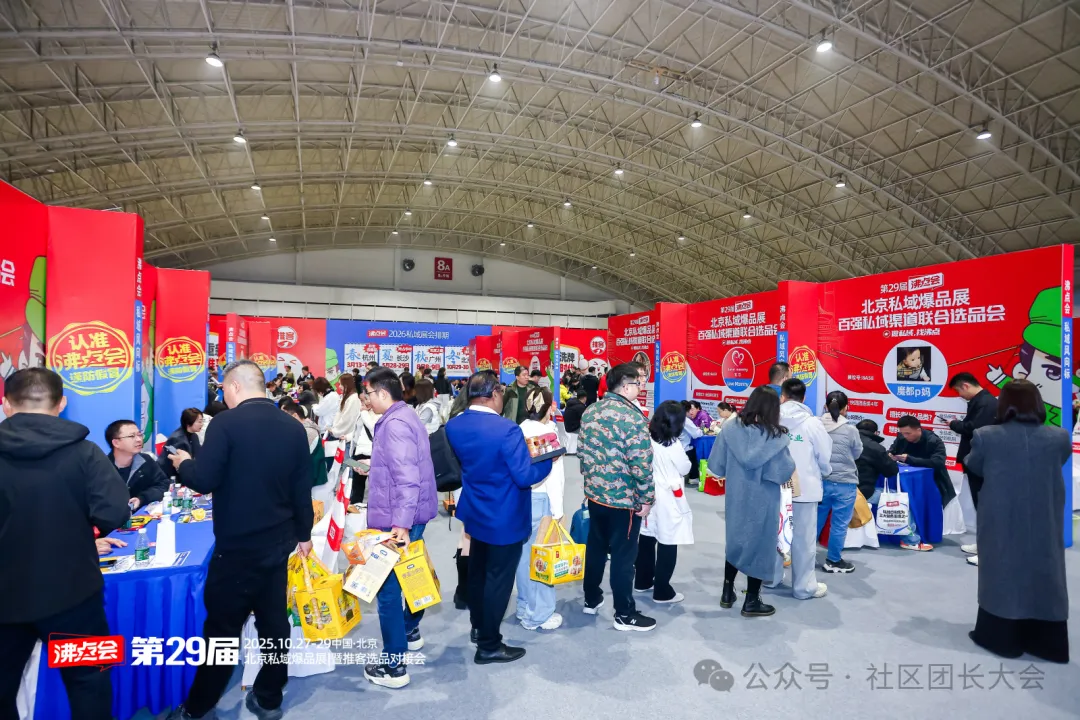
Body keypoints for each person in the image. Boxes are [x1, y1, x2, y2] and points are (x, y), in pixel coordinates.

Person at [166, 360, 313, 720]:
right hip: (278, 541)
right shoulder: (293, 427)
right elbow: (302, 488)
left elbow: (204, 479)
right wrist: (305, 534)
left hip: (237, 546)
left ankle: (198, 706)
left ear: (233, 387)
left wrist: (184, 463)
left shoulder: (226, 424)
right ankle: (269, 694)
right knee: (274, 622)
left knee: (222, 629)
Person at [0, 368, 130, 720]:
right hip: (74, 594)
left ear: (6, 404)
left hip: (5, 597)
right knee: (89, 681)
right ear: (62, 403)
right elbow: (113, 512)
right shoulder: (85, 453)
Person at [446, 371, 553, 662]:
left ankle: (478, 627)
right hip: (504, 515)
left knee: (479, 573)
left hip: (475, 509)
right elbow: (524, 476)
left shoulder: (455, 424)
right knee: (498, 581)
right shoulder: (506, 429)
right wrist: (548, 460)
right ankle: (489, 645)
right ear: (494, 394)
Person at [963, 379, 1070, 663]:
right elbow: (1058, 461)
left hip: (1001, 513)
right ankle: (1046, 642)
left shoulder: (986, 435)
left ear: (1004, 405)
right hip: (1045, 514)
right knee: (1047, 568)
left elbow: (974, 464)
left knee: (1001, 567)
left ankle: (1002, 638)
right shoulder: (1060, 436)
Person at [361, 367, 438, 687]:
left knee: (389, 591)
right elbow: (405, 467)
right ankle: (410, 629)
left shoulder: (394, 424)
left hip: (398, 519)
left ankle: (394, 666)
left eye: (367, 394)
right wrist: (375, 468)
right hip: (407, 513)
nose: (365, 400)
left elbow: (407, 479)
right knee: (412, 574)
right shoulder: (405, 415)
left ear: (382, 393)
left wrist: (401, 525)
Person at [578, 362, 657, 632]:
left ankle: (591, 598)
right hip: (624, 502)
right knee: (624, 557)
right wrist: (647, 498)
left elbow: (582, 452)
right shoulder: (632, 417)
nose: (641, 387)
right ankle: (624, 614)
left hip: (595, 495)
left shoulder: (591, 410)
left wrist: (592, 482)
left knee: (596, 548)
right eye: (638, 383)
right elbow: (641, 463)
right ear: (625, 386)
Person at [708, 385, 795, 617]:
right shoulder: (776, 437)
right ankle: (752, 600)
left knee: (736, 542)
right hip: (764, 498)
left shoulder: (730, 428)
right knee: (760, 546)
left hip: (737, 496)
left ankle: (727, 592)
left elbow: (716, 466)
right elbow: (782, 472)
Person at [772, 378, 831, 599]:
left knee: (774, 534)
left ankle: (770, 578)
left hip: (774, 486)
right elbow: (824, 455)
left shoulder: (771, 418)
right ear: (804, 398)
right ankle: (803, 588)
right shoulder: (812, 423)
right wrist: (824, 471)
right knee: (804, 540)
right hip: (805, 488)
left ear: (783, 396)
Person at [516, 387, 566, 630]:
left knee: (524, 556)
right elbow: (553, 476)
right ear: (548, 407)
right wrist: (558, 510)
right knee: (542, 556)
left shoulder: (519, 429)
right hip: (542, 498)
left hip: (521, 499)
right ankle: (539, 615)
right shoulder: (546, 434)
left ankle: (524, 605)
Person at [634, 400, 694, 603]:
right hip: (668, 497)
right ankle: (662, 591)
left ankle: (642, 581)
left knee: (647, 536)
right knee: (668, 540)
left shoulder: (646, 438)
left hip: (647, 492)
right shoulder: (673, 445)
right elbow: (685, 468)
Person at [948, 372, 999, 567]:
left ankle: (989, 551)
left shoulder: (986, 403)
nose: (960, 395)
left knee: (986, 507)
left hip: (982, 462)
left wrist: (954, 424)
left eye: (958, 391)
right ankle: (983, 544)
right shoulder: (980, 402)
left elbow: (975, 429)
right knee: (981, 506)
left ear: (966, 386)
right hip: (975, 461)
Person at [817, 391, 865, 571]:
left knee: (813, 522)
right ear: (846, 408)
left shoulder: (815, 425)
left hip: (820, 482)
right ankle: (833, 560)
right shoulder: (851, 430)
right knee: (839, 525)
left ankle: (803, 558)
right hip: (845, 483)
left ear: (825, 406)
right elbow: (857, 453)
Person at [888, 414, 958, 523]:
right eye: (902, 433)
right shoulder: (901, 437)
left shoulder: (933, 441)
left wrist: (909, 459)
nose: (905, 436)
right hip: (908, 481)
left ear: (918, 430)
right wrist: (889, 455)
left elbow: (938, 463)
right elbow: (892, 450)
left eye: (908, 433)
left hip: (931, 481)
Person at [105, 419, 170, 511]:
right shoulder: (101, 468)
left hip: (140, 516)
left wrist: (141, 499)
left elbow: (163, 485)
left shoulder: (146, 461)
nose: (139, 440)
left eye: (139, 435)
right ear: (116, 443)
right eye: (132, 436)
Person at [281, 401, 328, 494]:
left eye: (285, 417)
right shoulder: (305, 427)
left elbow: (295, 457)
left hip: (312, 480)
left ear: (295, 415)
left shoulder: (307, 432)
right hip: (308, 475)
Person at [854, 419, 899, 501]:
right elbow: (891, 471)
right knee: (900, 497)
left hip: (837, 490)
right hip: (862, 493)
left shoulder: (843, 441)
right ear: (875, 433)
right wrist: (889, 458)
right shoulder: (876, 448)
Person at [349, 390, 380, 505]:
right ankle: (355, 508)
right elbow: (358, 431)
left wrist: (364, 413)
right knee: (357, 486)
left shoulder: (379, 413)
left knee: (374, 486)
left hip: (371, 453)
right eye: (361, 400)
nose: (363, 403)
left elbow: (373, 429)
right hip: (358, 452)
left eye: (365, 399)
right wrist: (347, 437)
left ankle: (374, 510)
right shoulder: (364, 412)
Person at [159, 407, 203, 480]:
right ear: (188, 423)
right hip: (171, 478)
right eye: (199, 422)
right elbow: (176, 466)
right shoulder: (177, 439)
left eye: (202, 421)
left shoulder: (194, 436)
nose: (202, 424)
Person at [329, 373, 362, 465]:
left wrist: (335, 430)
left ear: (347, 384)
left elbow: (348, 419)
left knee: (348, 466)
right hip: (345, 437)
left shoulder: (353, 399)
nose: (339, 387)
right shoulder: (347, 397)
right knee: (344, 465)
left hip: (348, 438)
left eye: (341, 384)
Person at [679, 401, 703, 487]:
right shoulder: (685, 420)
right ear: (688, 410)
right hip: (682, 447)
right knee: (692, 449)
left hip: (670, 445)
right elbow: (696, 434)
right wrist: (701, 430)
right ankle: (693, 477)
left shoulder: (673, 416)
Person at [562, 390, 587, 455]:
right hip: (573, 429)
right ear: (585, 398)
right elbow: (585, 420)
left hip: (566, 426)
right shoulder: (581, 407)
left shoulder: (570, 404)